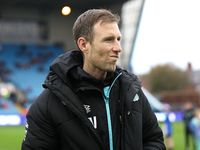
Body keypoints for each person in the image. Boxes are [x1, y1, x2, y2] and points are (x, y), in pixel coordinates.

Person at [21, 9, 166, 150]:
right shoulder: (49, 103)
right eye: (109, 40)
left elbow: (154, 140)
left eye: (118, 39)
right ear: (84, 45)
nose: (118, 47)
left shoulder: (132, 92)